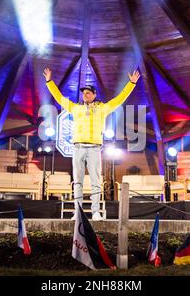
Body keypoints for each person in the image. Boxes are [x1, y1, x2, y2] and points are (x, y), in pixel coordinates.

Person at [43, 67, 140, 220]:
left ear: (94, 95)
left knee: (96, 181)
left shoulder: (102, 108)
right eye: (83, 92)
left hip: (94, 148)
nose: (85, 94)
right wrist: (49, 81)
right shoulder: (75, 108)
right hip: (78, 147)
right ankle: (78, 212)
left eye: (88, 92)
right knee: (78, 181)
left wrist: (131, 84)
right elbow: (59, 97)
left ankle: (95, 212)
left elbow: (119, 99)